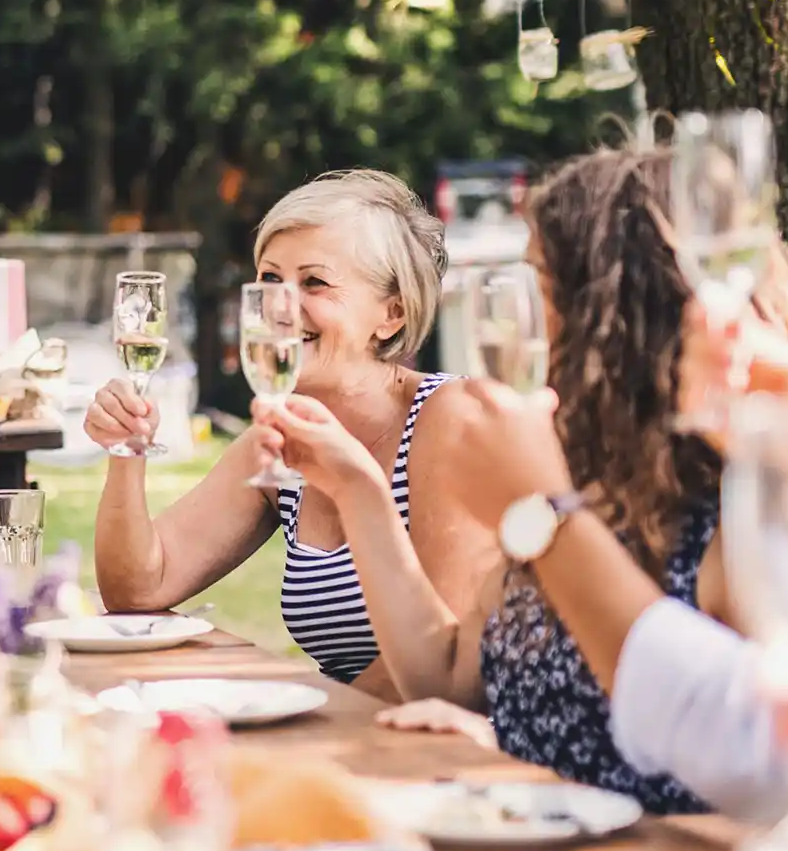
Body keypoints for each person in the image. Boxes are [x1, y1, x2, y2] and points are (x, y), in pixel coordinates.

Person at [262, 146, 788, 811]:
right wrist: (359, 491)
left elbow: (775, 758)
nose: (522, 322)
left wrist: (541, 512)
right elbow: (444, 676)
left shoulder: (741, 496)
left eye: (538, 284)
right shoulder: (578, 470)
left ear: (609, 304)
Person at [90, 170, 493, 698]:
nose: (281, 306)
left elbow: (451, 662)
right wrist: (128, 449)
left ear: (391, 314)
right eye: (269, 280)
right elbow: (138, 589)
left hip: (454, 752)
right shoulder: (282, 440)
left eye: (315, 283)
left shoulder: (449, 417)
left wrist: (298, 709)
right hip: (354, 736)